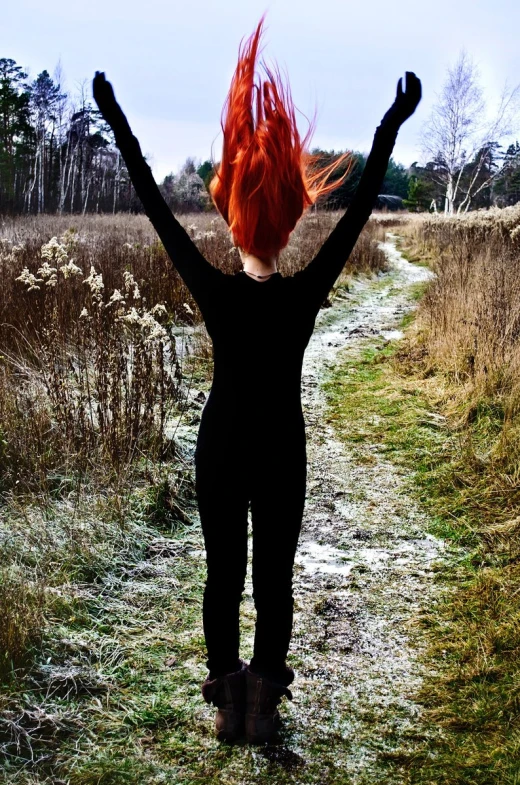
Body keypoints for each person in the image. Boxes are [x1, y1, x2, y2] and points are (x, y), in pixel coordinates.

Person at [93, 15, 421, 746]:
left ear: (233, 216)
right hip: (283, 453)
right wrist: (388, 128)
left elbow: (152, 205)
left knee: (222, 576)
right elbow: (361, 207)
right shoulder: (302, 295)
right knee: (273, 580)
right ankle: (261, 707)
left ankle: (228, 705)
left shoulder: (215, 291)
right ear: (287, 219)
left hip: (221, 449)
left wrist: (116, 121)